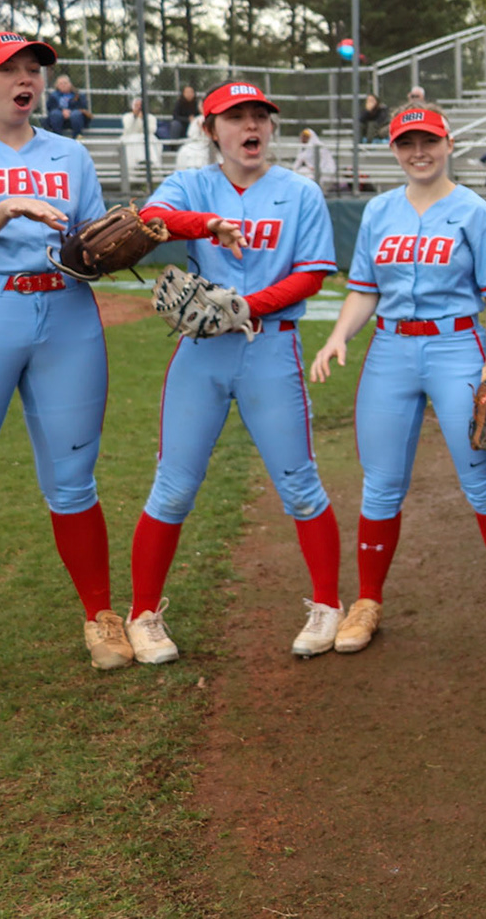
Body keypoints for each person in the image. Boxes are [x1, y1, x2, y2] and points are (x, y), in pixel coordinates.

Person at [124, 82, 342, 663]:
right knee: (172, 488)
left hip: (270, 347)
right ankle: (142, 615)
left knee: (300, 485)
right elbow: (151, 219)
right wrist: (205, 225)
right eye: (235, 117)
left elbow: (312, 274)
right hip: (203, 353)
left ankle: (327, 605)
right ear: (210, 129)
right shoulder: (193, 184)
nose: (251, 126)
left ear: (271, 128)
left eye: (259, 117)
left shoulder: (299, 192)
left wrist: (250, 306)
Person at [309, 105, 486, 653]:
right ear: (393, 150)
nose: (419, 152)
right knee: (381, 482)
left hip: (456, 343)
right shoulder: (379, 212)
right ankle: (367, 600)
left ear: (448, 143)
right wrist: (339, 334)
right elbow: (364, 288)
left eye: (428, 141)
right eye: (407, 143)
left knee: (480, 477)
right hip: (390, 347)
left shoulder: (474, 210)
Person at [0, 29, 129, 670]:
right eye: (9, 68)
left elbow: (87, 245)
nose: (26, 78)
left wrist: (111, 247)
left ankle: (101, 618)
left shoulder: (69, 155)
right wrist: (6, 207)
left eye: (33, 69)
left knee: (73, 480)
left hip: (66, 314)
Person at [120, 97, 164, 179]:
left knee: (151, 141)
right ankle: (134, 170)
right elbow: (129, 129)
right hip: (130, 138)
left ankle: (153, 167)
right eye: (136, 105)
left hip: (147, 137)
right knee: (133, 142)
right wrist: (136, 118)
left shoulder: (151, 117)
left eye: (140, 105)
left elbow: (152, 130)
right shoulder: (127, 117)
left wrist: (142, 119)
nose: (139, 108)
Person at [44, 73, 90, 138]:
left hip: (75, 117)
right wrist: (62, 111)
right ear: (57, 85)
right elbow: (50, 108)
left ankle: (77, 137)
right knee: (55, 114)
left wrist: (70, 111)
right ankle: (57, 138)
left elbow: (83, 106)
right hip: (59, 117)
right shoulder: (53, 96)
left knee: (76, 114)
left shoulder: (78, 95)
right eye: (60, 83)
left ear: (70, 84)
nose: (63, 85)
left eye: (65, 83)